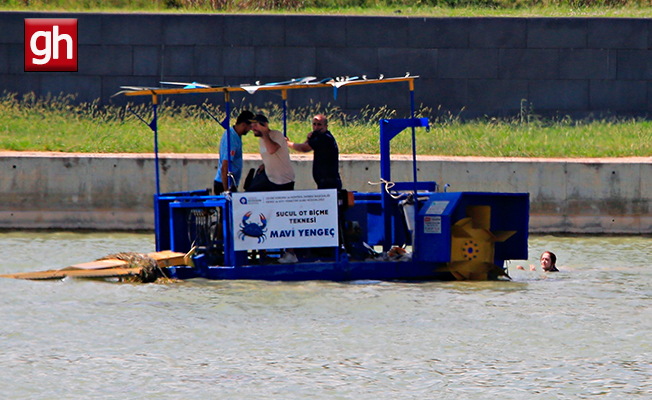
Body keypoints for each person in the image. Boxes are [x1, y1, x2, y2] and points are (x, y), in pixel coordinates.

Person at [287, 114, 342, 190]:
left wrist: (287, 143)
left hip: (329, 183)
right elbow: (305, 144)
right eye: (314, 124)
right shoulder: (319, 137)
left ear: (326, 126)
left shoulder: (324, 138)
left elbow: (304, 148)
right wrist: (309, 138)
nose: (316, 127)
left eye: (319, 125)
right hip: (323, 182)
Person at [246, 113, 295, 192]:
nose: (253, 128)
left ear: (264, 125)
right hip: (270, 179)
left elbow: (272, 150)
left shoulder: (276, 135)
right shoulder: (262, 139)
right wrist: (265, 165)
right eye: (252, 125)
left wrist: (265, 132)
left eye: (256, 125)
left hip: (283, 181)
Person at [213, 110, 254, 195]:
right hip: (224, 184)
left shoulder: (235, 135)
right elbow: (224, 167)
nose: (250, 130)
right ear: (243, 124)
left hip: (230, 182)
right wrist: (227, 191)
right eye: (249, 127)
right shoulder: (231, 140)